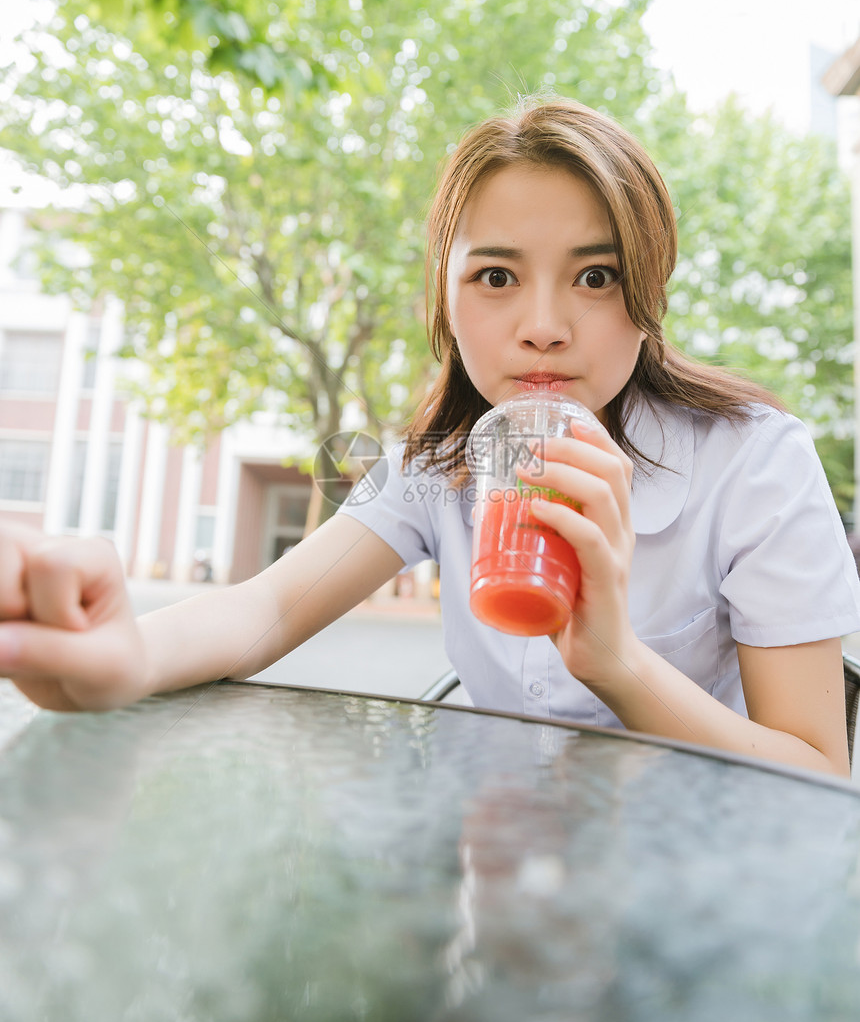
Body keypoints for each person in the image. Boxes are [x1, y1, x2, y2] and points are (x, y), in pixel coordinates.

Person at [0, 98, 857, 777]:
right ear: (444, 298)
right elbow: (263, 608)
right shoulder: (431, 465)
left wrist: (619, 664)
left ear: (649, 292)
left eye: (596, 276)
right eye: (496, 276)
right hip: (490, 897)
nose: (545, 326)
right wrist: (120, 654)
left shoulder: (756, 463)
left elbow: (815, 768)